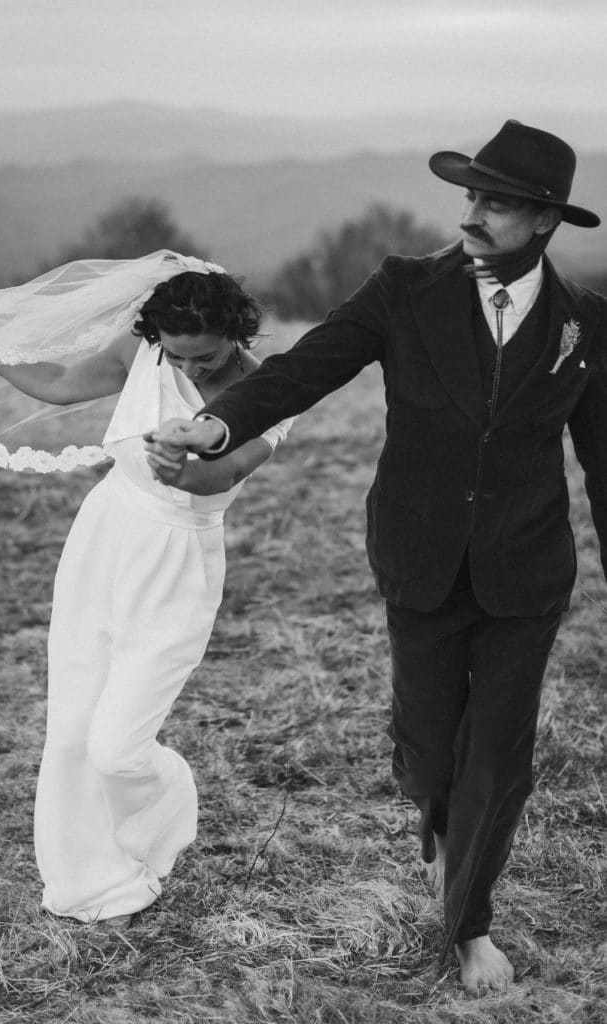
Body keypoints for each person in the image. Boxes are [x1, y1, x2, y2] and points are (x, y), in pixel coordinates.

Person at [148, 121, 607, 995]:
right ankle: (438, 826)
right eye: (469, 194)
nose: (471, 213)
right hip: (418, 558)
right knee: (429, 754)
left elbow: (603, 462)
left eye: (496, 201)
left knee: (497, 756)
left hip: (525, 572)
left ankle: (467, 923)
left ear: (545, 221)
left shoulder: (585, 325)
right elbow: (304, 368)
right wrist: (215, 423)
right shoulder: (402, 290)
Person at [0, 247, 293, 925]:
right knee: (70, 728)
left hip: (177, 563)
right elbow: (56, 384)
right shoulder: (143, 354)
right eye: (176, 356)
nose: (188, 369)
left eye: (204, 358)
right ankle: (89, 882)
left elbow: (223, 473)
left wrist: (181, 467)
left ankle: (168, 802)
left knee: (117, 747)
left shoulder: (270, 387)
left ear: (234, 336)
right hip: (103, 540)